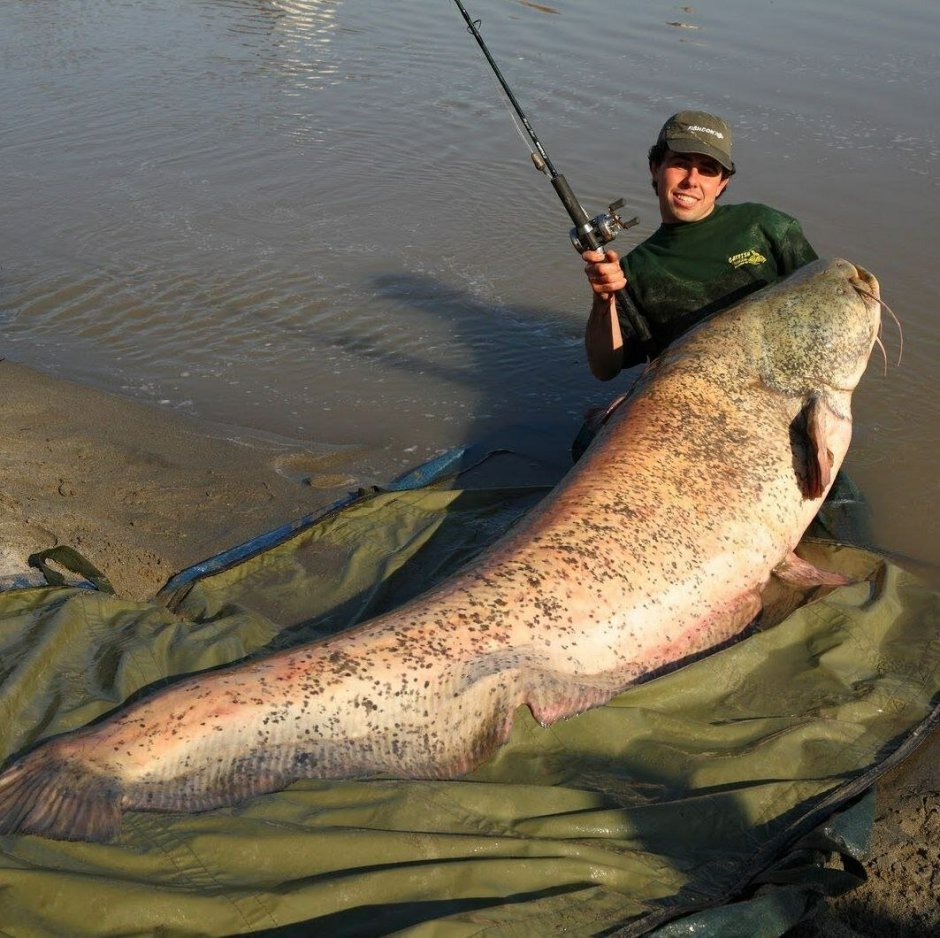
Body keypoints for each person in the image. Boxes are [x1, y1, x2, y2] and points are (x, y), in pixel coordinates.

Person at [582, 110, 818, 380]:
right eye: (681, 164)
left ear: (722, 182)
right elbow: (604, 369)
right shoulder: (632, 270)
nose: (692, 180)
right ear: (656, 168)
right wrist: (603, 301)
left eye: (707, 170)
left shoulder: (767, 226)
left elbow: (823, 305)